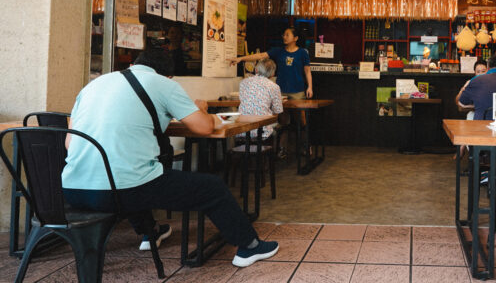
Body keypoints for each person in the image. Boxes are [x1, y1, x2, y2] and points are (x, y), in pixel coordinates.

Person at [62, 49, 278, 268]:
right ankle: (249, 246)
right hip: (122, 191)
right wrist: (201, 109)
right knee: (212, 187)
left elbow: (69, 144)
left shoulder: (93, 85)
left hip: (73, 190)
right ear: (168, 76)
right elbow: (203, 127)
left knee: (135, 170)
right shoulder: (162, 84)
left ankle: (150, 232)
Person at [229, 27, 312, 157]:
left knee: (301, 120)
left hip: (298, 90)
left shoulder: (302, 53)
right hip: (281, 90)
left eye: (287, 35)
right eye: (284, 34)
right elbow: (261, 55)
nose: (284, 37)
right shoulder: (278, 51)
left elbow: (307, 71)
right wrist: (241, 59)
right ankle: (282, 149)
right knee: (283, 120)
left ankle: (305, 147)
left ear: (295, 38)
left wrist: (310, 87)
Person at [239, 58, 283, 139]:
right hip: (262, 131)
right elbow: (277, 110)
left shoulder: (243, 82)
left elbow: (242, 100)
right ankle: (274, 151)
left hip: (241, 130)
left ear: (256, 70)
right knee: (280, 126)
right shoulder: (274, 87)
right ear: (272, 73)